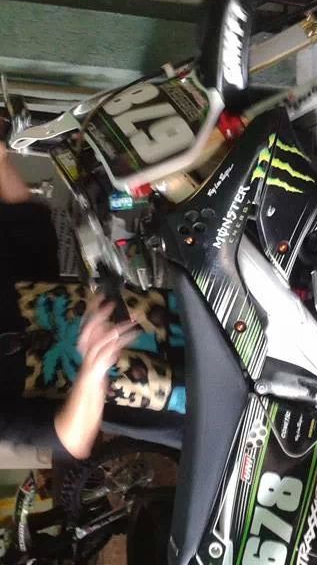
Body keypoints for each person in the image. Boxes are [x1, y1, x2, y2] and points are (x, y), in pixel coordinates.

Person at [0, 141, 185, 459]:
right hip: (180, 395)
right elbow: (71, 439)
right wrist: (93, 369)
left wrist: (2, 160)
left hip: (180, 312)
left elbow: (28, 226)